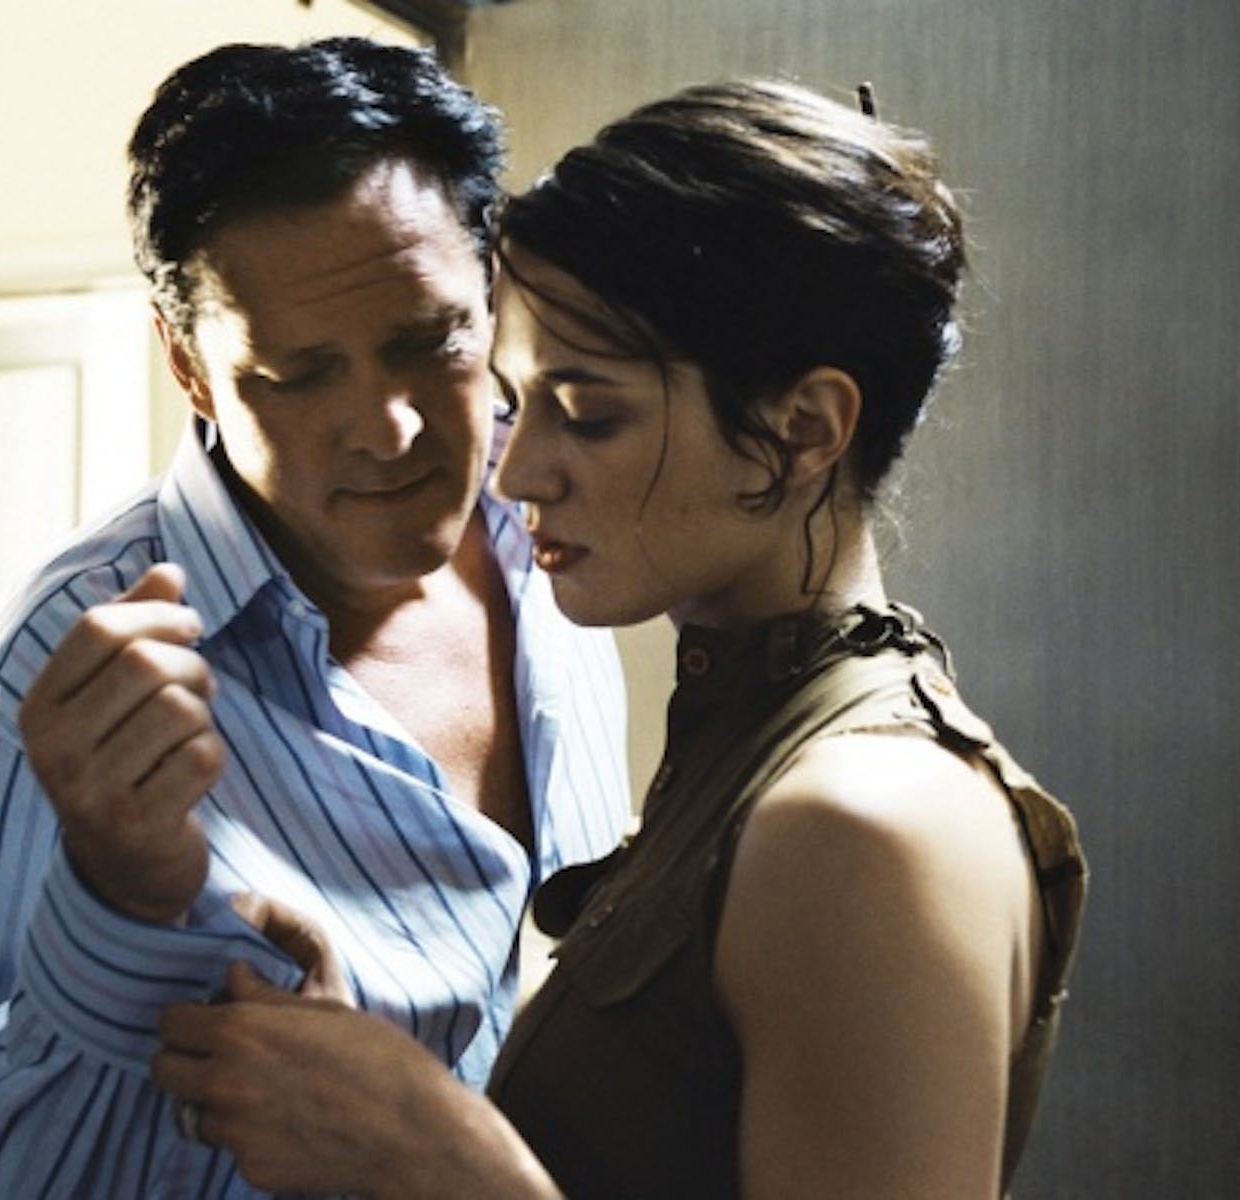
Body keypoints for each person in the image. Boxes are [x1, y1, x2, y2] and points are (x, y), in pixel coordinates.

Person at [151, 78, 1088, 1198]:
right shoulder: (742, 753)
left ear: (801, 430)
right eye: (517, 402)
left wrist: (429, 1151)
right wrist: (364, 1075)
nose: (516, 472)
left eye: (589, 414)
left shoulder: (856, 824)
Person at [0, 39, 632, 1197]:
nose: (388, 429)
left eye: (428, 340)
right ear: (189, 366)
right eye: (301, 374)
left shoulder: (559, 541)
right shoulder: (61, 671)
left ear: (493, 291)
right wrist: (119, 911)